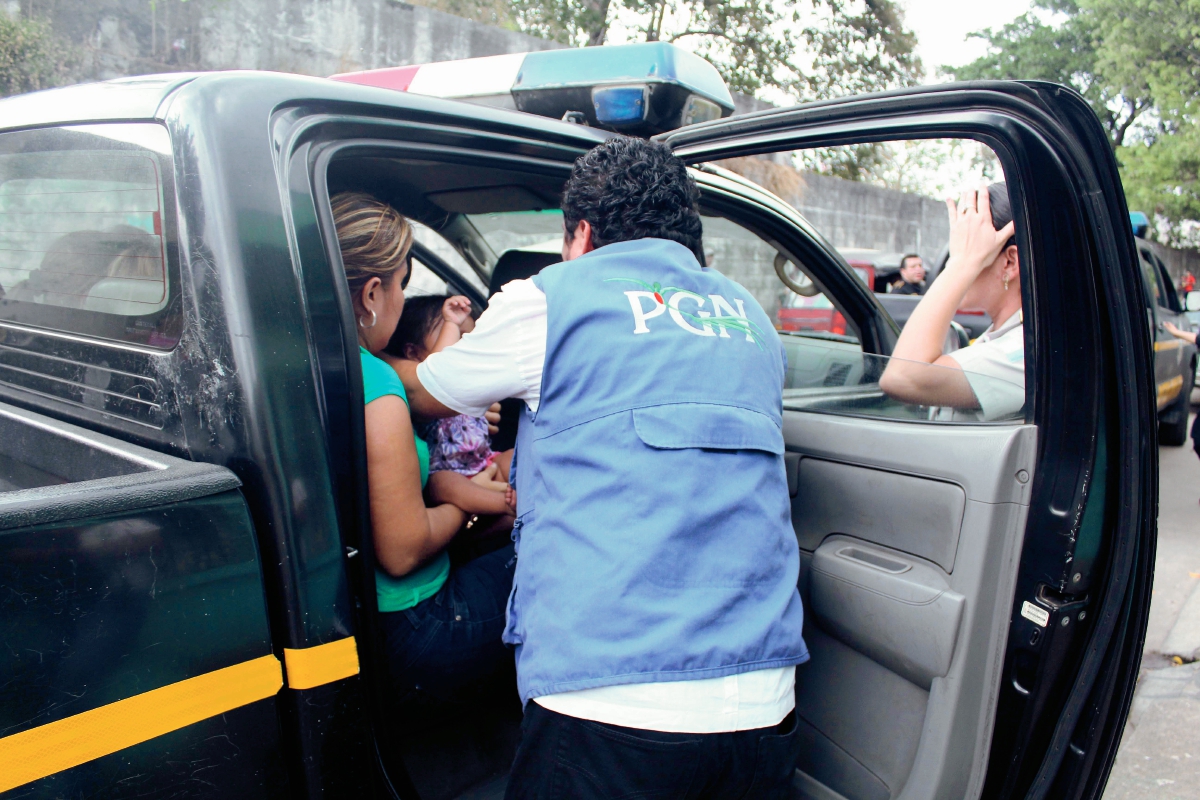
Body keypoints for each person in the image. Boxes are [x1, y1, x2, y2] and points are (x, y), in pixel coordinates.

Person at [400, 139, 807, 799]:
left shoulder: (553, 298)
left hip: (611, 701)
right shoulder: (751, 319)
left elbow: (425, 393)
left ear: (582, 235)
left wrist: (353, 351)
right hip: (764, 700)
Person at [331, 191, 516, 712]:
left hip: (365, 616)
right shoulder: (379, 389)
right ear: (372, 293)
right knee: (557, 552)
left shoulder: (320, 359)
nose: (403, 299)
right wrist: (468, 499)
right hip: (422, 623)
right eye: (402, 283)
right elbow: (403, 550)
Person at [880, 183, 1024, 421]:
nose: (952, 261)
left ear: (1009, 262)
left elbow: (901, 377)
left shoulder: (1022, 353)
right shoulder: (1001, 338)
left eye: (969, 248)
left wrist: (963, 263)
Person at [381, 293, 516, 518]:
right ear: (413, 353)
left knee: (513, 457)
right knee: (446, 483)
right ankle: (511, 506)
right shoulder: (423, 397)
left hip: (484, 463)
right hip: (444, 475)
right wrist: (451, 323)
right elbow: (440, 371)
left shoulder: (472, 386)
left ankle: (526, 495)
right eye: (458, 340)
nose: (468, 350)